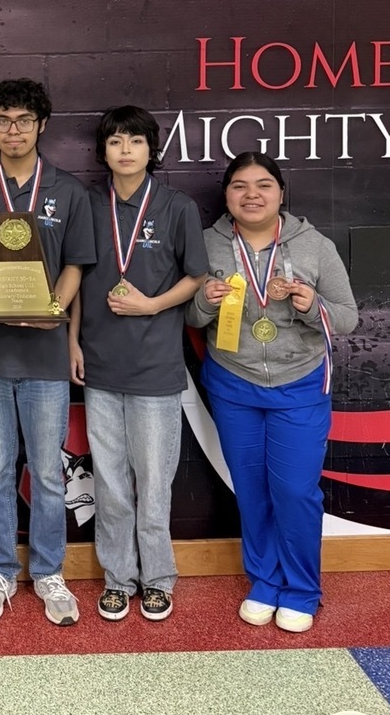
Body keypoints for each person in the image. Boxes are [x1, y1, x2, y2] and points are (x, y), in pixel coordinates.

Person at [186, 152, 358, 633]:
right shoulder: (206, 245)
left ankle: (302, 589)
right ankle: (264, 581)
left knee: (295, 492)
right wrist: (203, 300)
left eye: (263, 185)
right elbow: (188, 318)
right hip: (233, 384)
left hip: (298, 384)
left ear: (281, 193)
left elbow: (347, 318)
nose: (252, 195)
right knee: (253, 491)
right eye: (239, 186)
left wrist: (310, 303)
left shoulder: (313, 245)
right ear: (226, 196)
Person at [0, 78, 96, 626]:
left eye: (24, 121)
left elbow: (77, 264)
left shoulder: (67, 190)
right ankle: (2, 569)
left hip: (45, 357)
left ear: (41, 126)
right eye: (4, 121)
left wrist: (52, 312)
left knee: (49, 474)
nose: (13, 130)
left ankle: (50, 571)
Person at [68, 106, 208, 622]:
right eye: (115, 142)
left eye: (135, 141)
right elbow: (76, 275)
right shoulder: (86, 203)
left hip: (155, 368)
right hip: (101, 367)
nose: (125, 150)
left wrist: (151, 305)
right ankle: (117, 578)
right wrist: (72, 341)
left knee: (152, 482)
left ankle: (158, 579)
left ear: (152, 149)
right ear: (103, 151)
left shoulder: (177, 207)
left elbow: (195, 277)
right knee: (108, 481)